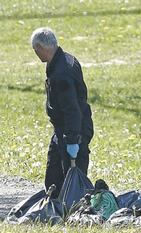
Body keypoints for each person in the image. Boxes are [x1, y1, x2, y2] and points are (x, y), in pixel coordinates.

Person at [31, 27, 94, 198]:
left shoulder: (61, 74)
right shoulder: (67, 59)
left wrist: (73, 139)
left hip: (72, 130)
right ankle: (55, 205)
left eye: (35, 50)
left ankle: (75, 211)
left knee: (72, 181)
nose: (35, 53)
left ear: (41, 48)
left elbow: (72, 109)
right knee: (54, 178)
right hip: (63, 130)